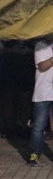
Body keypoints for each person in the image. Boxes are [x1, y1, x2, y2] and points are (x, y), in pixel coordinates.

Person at [27, 34, 53, 166]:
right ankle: (34, 154)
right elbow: (42, 66)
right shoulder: (41, 46)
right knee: (39, 125)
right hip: (43, 92)